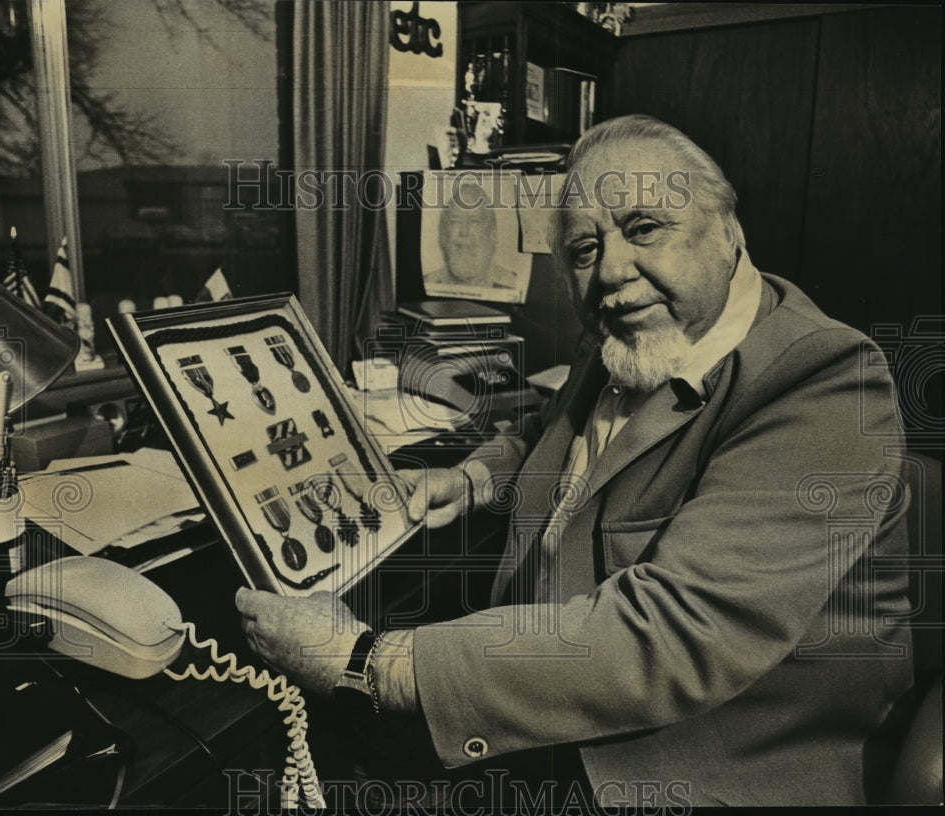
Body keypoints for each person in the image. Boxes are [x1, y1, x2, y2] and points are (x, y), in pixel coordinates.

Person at [236, 115, 914, 808]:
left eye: (644, 227)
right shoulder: (631, 335)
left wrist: (367, 664)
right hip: (550, 713)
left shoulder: (825, 379)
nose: (612, 270)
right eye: (587, 248)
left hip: (691, 768)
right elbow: (553, 429)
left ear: (727, 233)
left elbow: (674, 637)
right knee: (292, 749)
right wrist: (474, 478)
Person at [424, 193, 520, 290]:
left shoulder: (515, 285)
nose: (464, 232)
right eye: (455, 222)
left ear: (492, 235)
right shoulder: (426, 283)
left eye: (474, 222)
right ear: (443, 236)